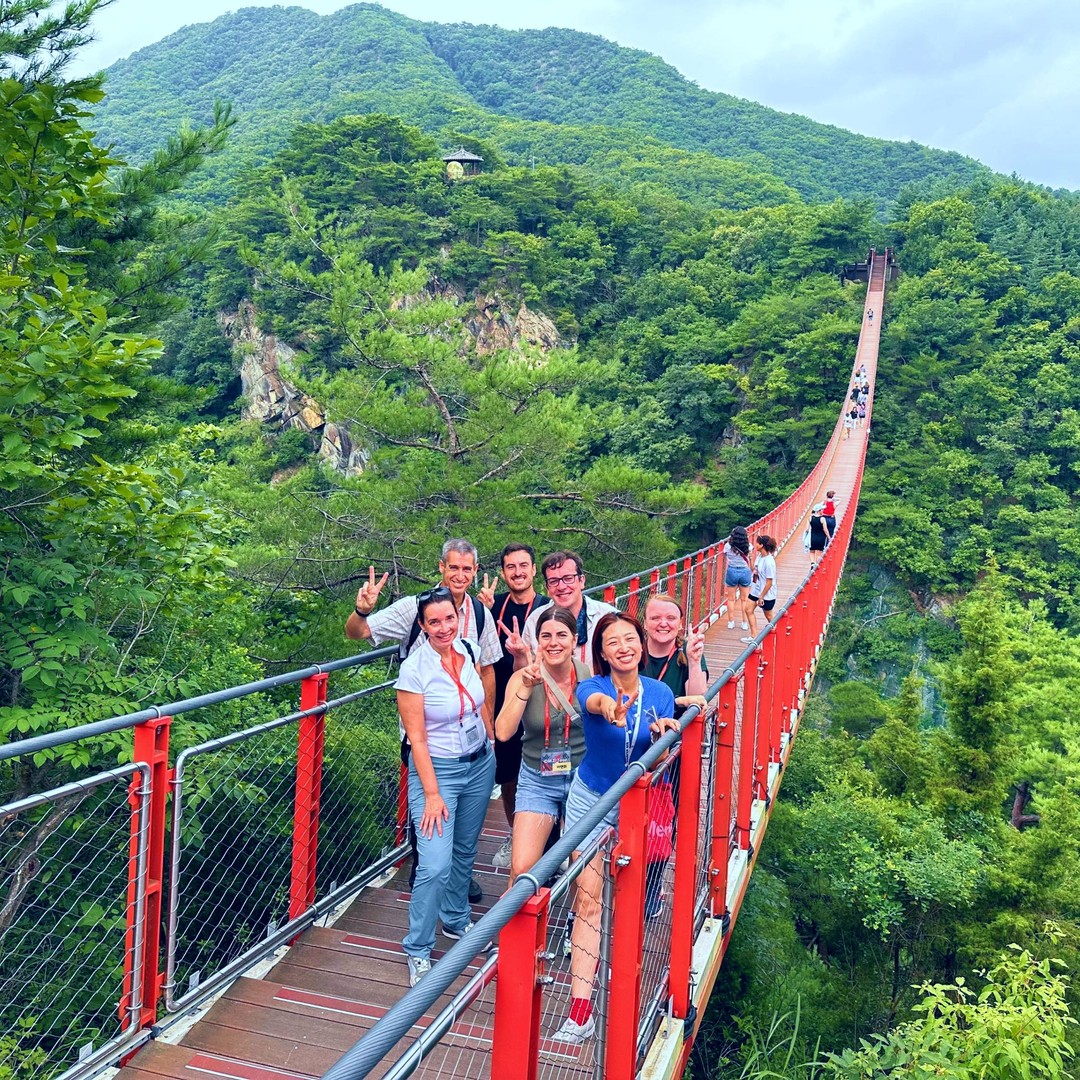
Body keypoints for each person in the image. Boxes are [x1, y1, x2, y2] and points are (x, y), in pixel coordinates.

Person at [345, 538, 501, 904]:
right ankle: (428, 872)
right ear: (441, 569)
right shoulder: (415, 608)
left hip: (469, 735)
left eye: (467, 568)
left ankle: (456, 879)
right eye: (453, 567)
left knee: (464, 812)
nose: (460, 575)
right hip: (423, 733)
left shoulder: (479, 614)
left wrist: (488, 721)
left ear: (475, 571)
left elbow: (487, 668)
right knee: (428, 807)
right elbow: (358, 633)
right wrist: (362, 610)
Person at [552, 612, 680, 1045]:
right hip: (591, 800)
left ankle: (626, 988)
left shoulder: (662, 693)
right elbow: (595, 705)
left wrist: (665, 738)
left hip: (638, 805)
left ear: (641, 645)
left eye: (630, 638)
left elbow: (663, 756)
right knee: (587, 900)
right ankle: (581, 1011)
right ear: (601, 653)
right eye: (613, 641)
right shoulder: (594, 686)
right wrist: (611, 709)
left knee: (628, 903)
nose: (623, 646)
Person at [396, 589, 497, 986]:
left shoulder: (469, 650)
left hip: (478, 763)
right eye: (433, 622)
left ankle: (456, 920)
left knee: (464, 849)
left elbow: (479, 699)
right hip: (437, 771)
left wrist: (489, 734)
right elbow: (416, 739)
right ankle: (417, 947)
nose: (443, 628)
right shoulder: (414, 670)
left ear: (459, 618)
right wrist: (432, 793)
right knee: (435, 862)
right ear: (423, 626)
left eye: (449, 619)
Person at [495, 608, 589, 884]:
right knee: (522, 868)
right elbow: (502, 732)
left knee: (582, 868)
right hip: (538, 778)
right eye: (545, 636)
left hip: (581, 779)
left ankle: (575, 919)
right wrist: (525, 687)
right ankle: (514, 925)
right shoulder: (523, 677)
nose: (554, 642)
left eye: (562, 635)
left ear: (574, 639)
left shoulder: (588, 677)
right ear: (537, 641)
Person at [476, 544, 547, 869]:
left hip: (536, 704)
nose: (517, 572)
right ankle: (515, 833)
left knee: (544, 770)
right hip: (501, 705)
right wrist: (483, 612)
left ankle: (551, 840)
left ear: (533, 570)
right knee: (508, 775)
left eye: (523, 566)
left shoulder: (546, 608)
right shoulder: (494, 606)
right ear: (503, 573)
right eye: (510, 567)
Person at [640, 594, 709, 918]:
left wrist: (695, 661)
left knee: (663, 824)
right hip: (634, 749)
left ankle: (651, 891)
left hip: (674, 756)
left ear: (681, 623)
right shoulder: (634, 651)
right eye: (656, 618)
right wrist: (677, 701)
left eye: (670, 618)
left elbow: (700, 698)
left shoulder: (686, 655)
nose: (663, 624)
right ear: (645, 622)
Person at [517, 551, 617, 674]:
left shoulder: (608, 617)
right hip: (549, 691)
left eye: (568, 578)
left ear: (581, 581)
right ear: (547, 587)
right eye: (553, 581)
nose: (562, 586)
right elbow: (524, 673)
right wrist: (519, 655)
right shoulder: (535, 620)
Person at [742, 535, 778, 642]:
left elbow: (769, 582)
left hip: (767, 594)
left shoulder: (769, 562)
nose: (755, 545)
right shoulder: (759, 556)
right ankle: (754, 637)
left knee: (769, 616)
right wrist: (749, 558)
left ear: (762, 545)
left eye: (757, 543)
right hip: (756, 589)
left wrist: (761, 597)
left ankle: (777, 635)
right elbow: (755, 570)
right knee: (748, 609)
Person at [720, 525, 753, 632]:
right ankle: (744, 623)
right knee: (744, 600)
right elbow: (749, 556)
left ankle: (731, 622)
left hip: (732, 571)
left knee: (731, 599)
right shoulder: (749, 546)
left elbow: (726, 556)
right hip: (745, 571)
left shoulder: (727, 546)